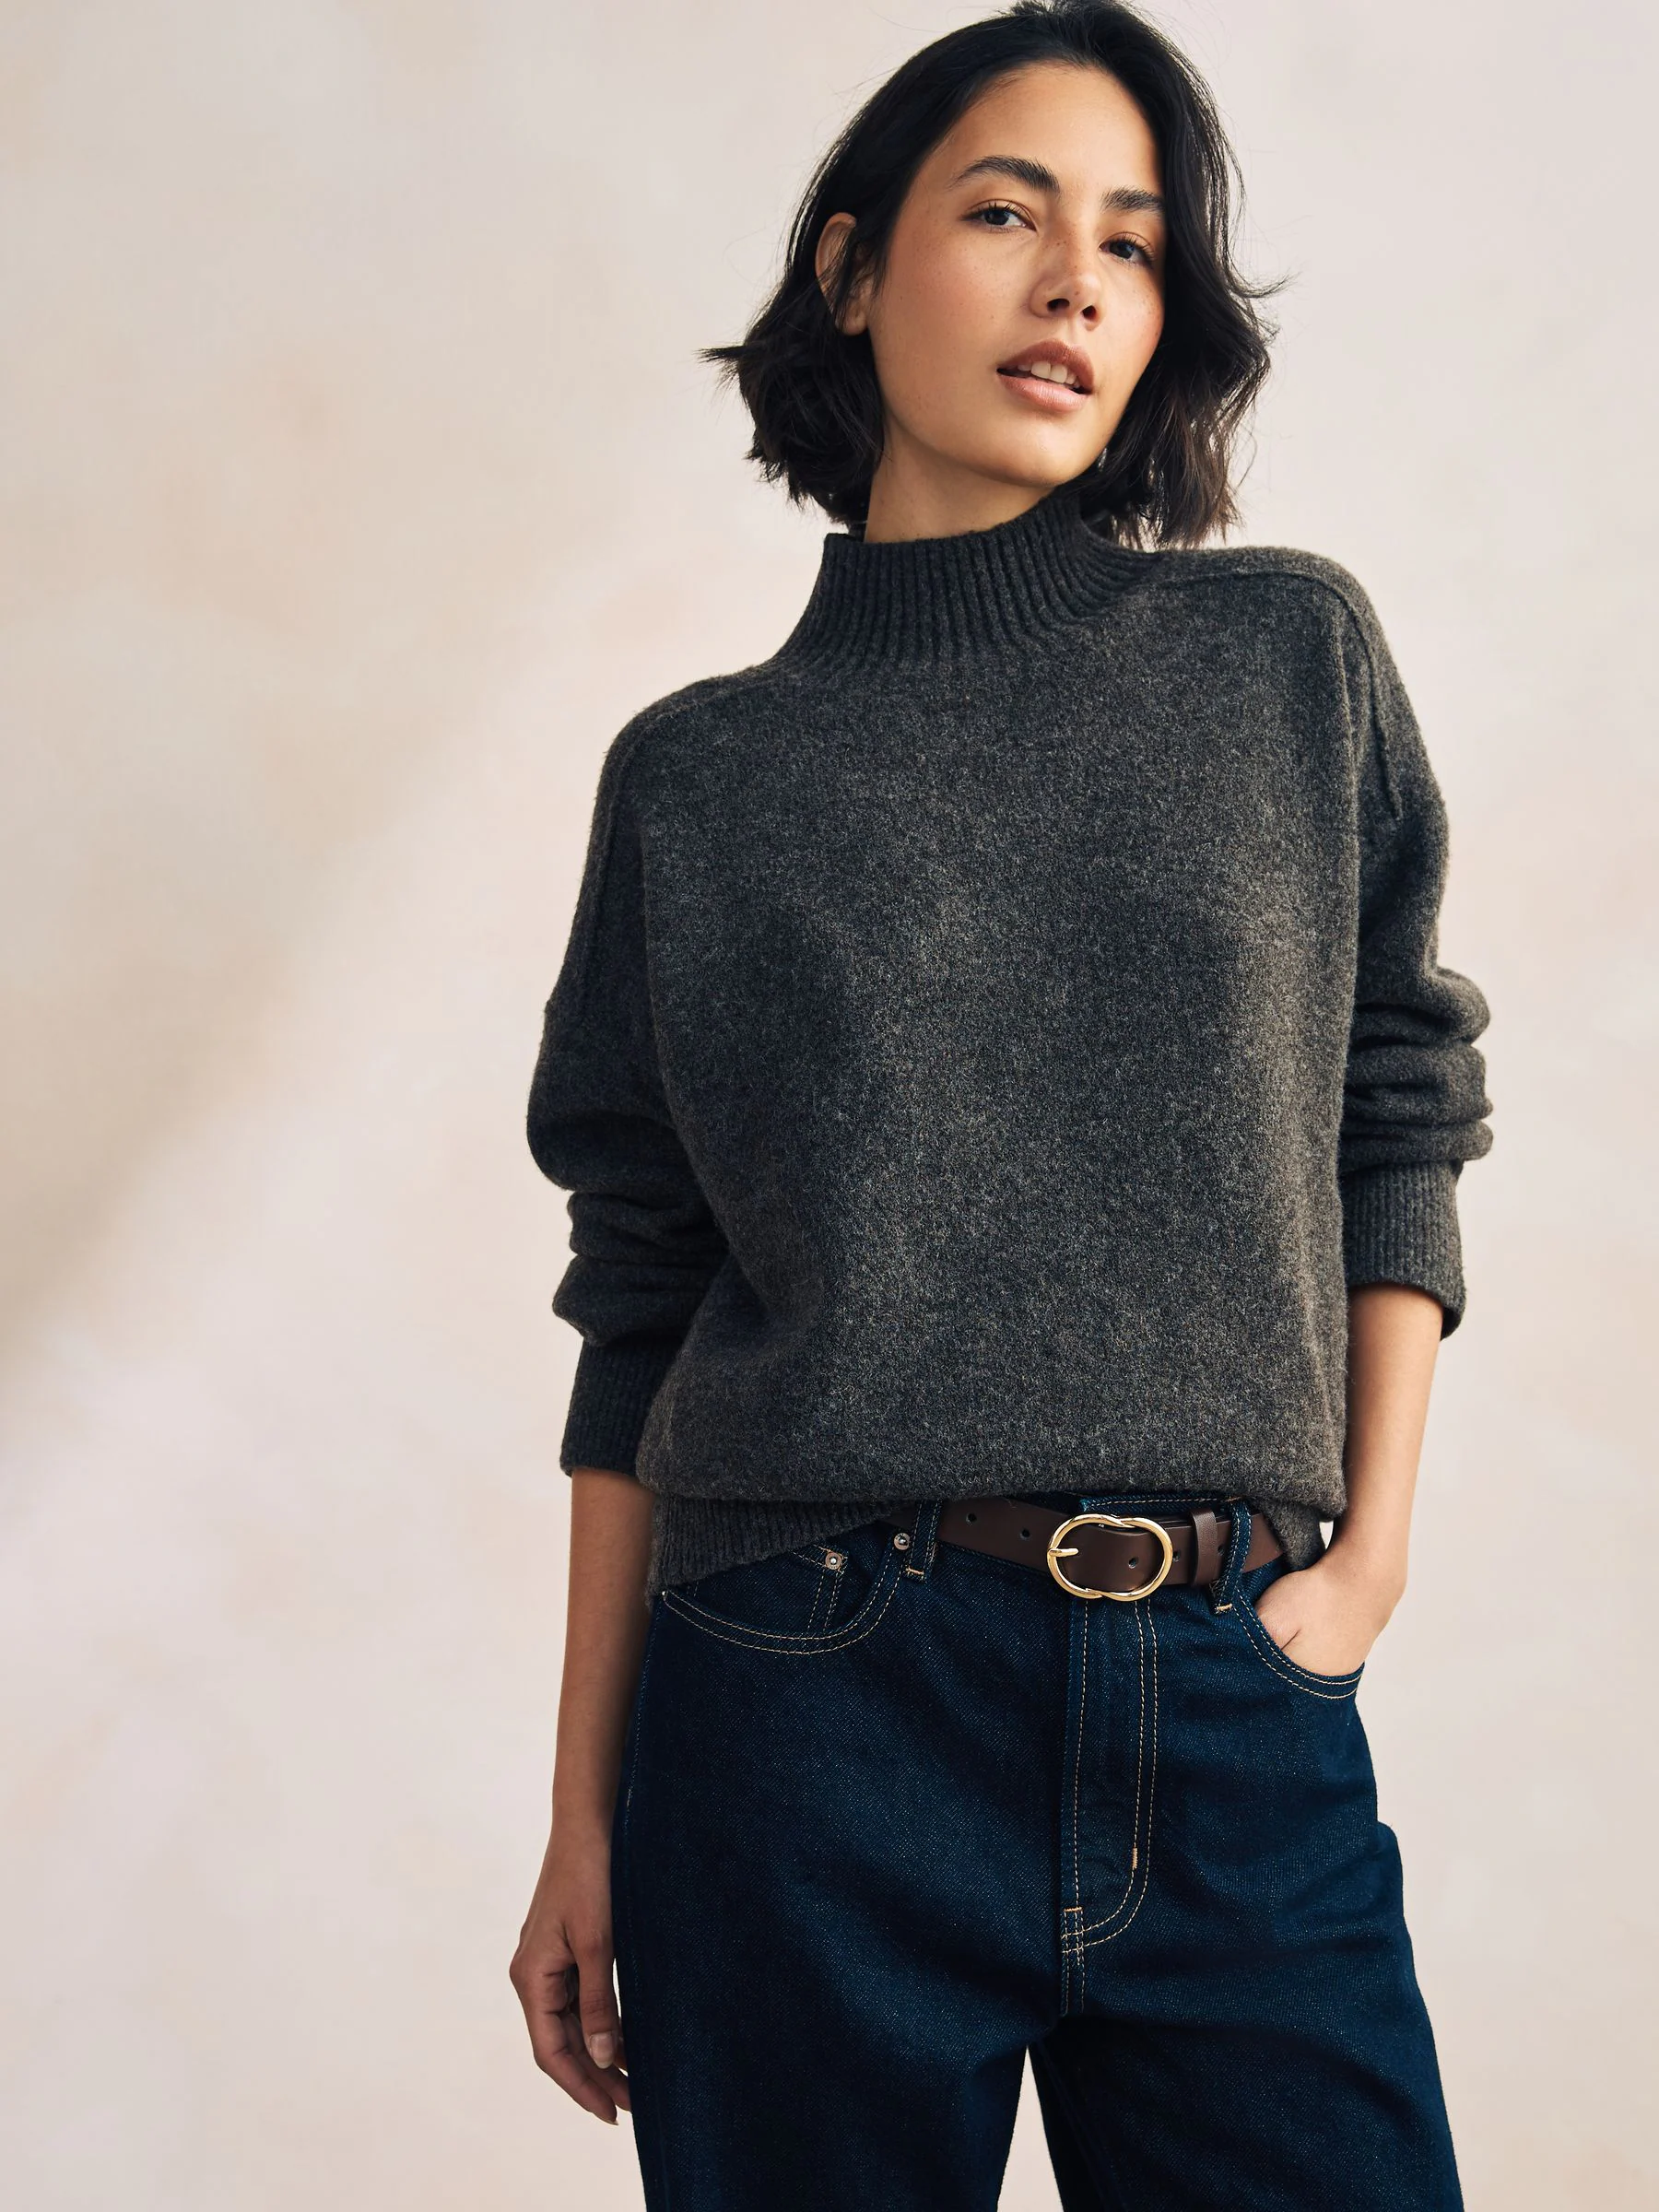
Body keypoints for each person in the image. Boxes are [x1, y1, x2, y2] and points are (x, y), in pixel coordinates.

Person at [509, 4, 1494, 2205]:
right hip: (805, 1705)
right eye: (1007, 214)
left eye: (1132, 245)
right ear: (854, 267)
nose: (1077, 284)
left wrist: (1370, 1560)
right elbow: (642, 1296)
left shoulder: (1284, 659)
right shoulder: (697, 783)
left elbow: (1398, 1099)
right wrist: (584, 1811)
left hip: (1232, 1692)